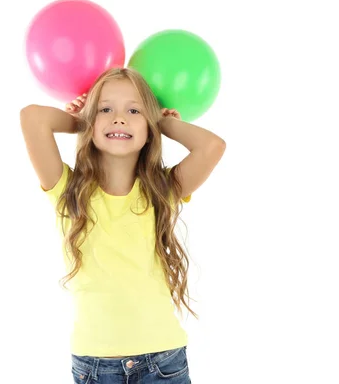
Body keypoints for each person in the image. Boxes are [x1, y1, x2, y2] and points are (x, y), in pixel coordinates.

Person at [20, 67, 226, 383]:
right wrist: (83, 121)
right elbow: (32, 118)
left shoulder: (163, 191)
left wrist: (165, 123)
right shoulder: (68, 192)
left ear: (149, 126)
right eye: (106, 109)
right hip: (95, 367)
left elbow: (212, 146)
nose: (119, 118)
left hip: (163, 362)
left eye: (134, 110)